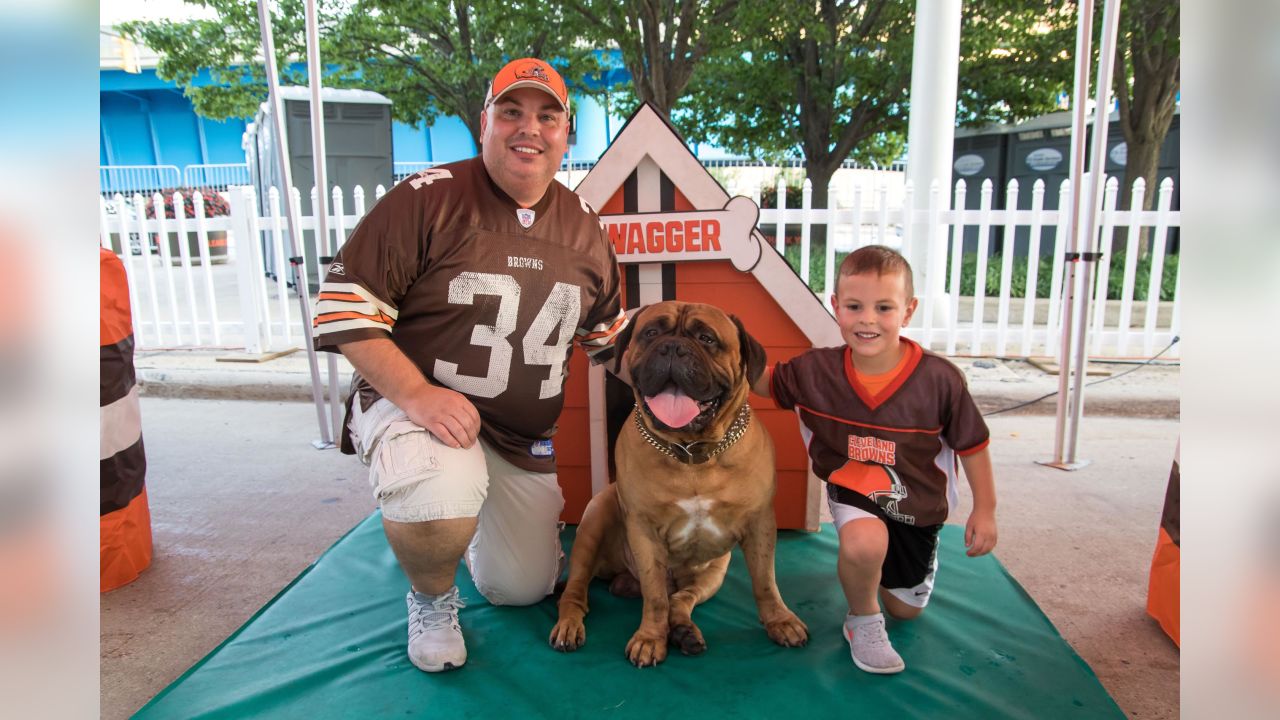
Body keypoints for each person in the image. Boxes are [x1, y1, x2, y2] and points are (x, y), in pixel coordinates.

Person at [313, 57, 627, 673]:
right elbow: (344, 311)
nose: (527, 128)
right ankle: (431, 595)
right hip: (418, 407)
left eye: (546, 116)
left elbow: (609, 340)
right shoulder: (425, 199)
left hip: (517, 437)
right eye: (510, 112)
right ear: (484, 122)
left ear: (567, 134)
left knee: (523, 588)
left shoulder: (586, 227)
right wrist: (416, 394)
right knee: (434, 498)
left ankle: (470, 516)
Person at [752, 245, 997, 674]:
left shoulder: (939, 381)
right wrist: (723, 346)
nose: (867, 319)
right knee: (864, 544)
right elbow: (764, 380)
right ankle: (862, 619)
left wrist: (986, 509)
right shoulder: (816, 372)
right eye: (854, 306)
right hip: (855, 486)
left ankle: (903, 576)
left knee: (904, 609)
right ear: (836, 307)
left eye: (884, 307)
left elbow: (972, 445)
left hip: (917, 502)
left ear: (908, 311)